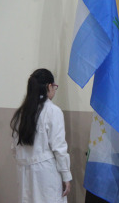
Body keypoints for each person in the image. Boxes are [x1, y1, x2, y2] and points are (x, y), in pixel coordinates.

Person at [10, 69, 72, 203]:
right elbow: (59, 148)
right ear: (49, 86)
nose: (54, 90)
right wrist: (66, 176)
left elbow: (14, 149)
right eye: (54, 87)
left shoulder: (21, 113)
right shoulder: (53, 111)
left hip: (23, 173)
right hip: (45, 174)